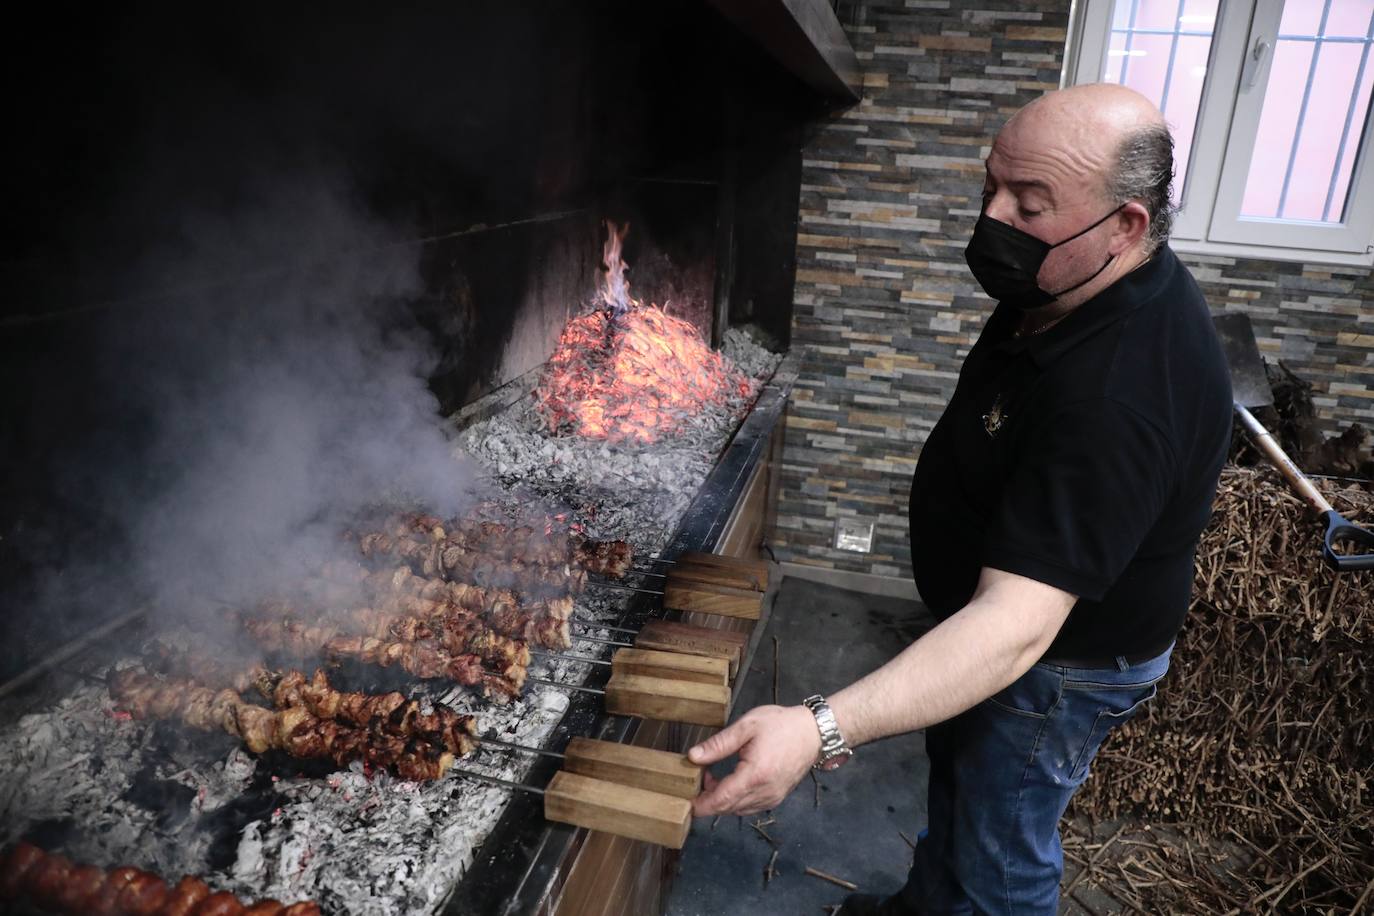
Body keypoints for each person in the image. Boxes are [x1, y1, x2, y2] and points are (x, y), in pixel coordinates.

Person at [686, 83, 1233, 915]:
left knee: (1001, 855)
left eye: (1030, 205)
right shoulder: (1062, 284)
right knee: (962, 794)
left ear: (1126, 227)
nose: (994, 220)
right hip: (986, 624)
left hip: (1057, 670)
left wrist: (815, 727)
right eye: (991, 188)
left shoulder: (1120, 398)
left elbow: (1012, 633)